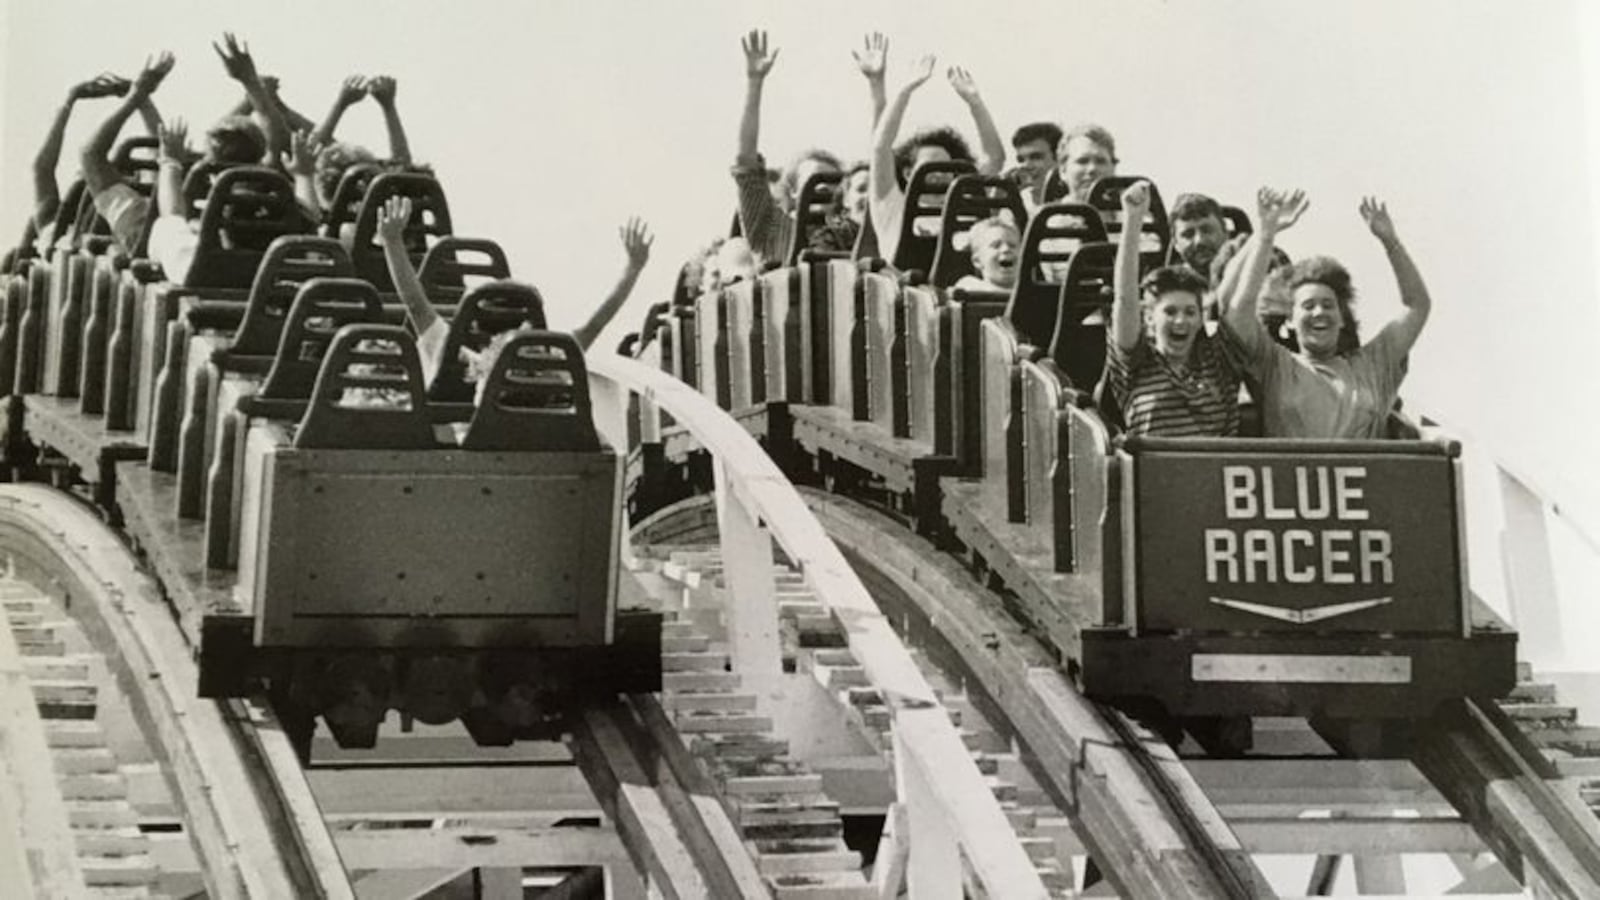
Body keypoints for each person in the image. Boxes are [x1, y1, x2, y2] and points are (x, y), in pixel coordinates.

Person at [375, 196, 652, 397]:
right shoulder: (552, 359)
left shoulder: (457, 358)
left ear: (474, 324)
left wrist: (392, 241)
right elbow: (596, 323)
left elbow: (415, 304)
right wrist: (632, 268)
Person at [1220, 189, 1428, 439]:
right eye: (1308, 306)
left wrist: (1391, 242)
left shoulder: (1373, 365)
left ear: (1342, 318)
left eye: (1329, 305)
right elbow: (1236, 308)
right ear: (1290, 320)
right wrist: (1266, 235)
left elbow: (1417, 306)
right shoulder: (1275, 365)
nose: (1319, 312)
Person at [1102, 181, 1241, 437]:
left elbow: (1236, 302)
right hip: (1157, 472)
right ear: (1149, 318)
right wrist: (1133, 220)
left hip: (1213, 468)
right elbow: (1125, 298)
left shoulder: (1213, 357)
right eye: (1170, 312)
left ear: (1201, 318)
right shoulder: (1136, 363)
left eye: (1190, 312)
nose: (1181, 321)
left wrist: (1265, 234)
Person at [869, 55, 1005, 265]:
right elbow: (880, 147)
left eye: (946, 167)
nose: (940, 173)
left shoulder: (966, 207)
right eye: (930, 167)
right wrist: (905, 92)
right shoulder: (892, 205)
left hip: (962, 290)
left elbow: (994, 158)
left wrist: (975, 103)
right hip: (908, 291)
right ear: (908, 173)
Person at [732, 30, 849, 263]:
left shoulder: (850, 234)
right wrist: (754, 84)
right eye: (815, 179)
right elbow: (746, 164)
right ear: (793, 190)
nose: (823, 187)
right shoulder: (770, 227)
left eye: (831, 181)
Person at [1169, 193, 1229, 284]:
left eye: (1207, 230)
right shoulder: (1167, 290)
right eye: (1188, 234)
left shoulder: (1249, 281)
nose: (1199, 240)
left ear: (1226, 233)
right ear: (1175, 244)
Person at [953, 216, 1020, 293]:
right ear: (977, 261)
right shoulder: (969, 288)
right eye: (996, 245)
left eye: (1012, 245)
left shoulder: (1032, 292)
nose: (1006, 249)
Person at [1055, 123, 1117, 202]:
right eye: (1082, 161)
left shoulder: (1129, 213)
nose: (1092, 168)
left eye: (1100, 161)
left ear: (1113, 168)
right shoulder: (1046, 213)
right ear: (1063, 170)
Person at [1007, 121, 1061, 209]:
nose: (1026, 165)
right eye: (1021, 160)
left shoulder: (1079, 199)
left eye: (1036, 157)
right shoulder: (1018, 202)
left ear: (1059, 158)